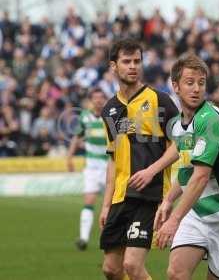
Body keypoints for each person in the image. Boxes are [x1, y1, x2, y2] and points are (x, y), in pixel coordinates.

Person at [130, 53, 219, 279]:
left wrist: (174, 220)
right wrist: (168, 200)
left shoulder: (210, 119)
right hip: (197, 214)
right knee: (176, 273)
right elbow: (187, 170)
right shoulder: (179, 125)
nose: (196, 88)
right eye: (190, 83)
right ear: (176, 86)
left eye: (201, 83)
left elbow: (200, 177)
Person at [100, 38, 178, 280]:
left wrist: (151, 171)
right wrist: (105, 205)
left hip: (149, 195)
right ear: (114, 66)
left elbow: (181, 144)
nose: (133, 66)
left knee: (132, 266)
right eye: (126, 61)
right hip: (120, 196)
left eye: (137, 61)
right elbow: (113, 160)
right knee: (111, 269)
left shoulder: (160, 101)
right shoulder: (109, 109)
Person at [67, 87, 108, 250]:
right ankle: (83, 238)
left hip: (109, 165)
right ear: (91, 101)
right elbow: (77, 137)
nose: (98, 100)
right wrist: (69, 157)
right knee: (89, 200)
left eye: (101, 97)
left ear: (104, 99)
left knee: (111, 204)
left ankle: (108, 238)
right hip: (92, 166)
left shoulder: (110, 116)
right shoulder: (85, 117)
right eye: (95, 98)